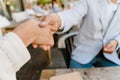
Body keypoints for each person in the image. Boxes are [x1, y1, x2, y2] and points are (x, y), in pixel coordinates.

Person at [39, 0, 120, 68]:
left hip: (109, 56)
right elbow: (73, 14)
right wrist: (59, 19)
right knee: (73, 75)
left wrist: (116, 41)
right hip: (83, 53)